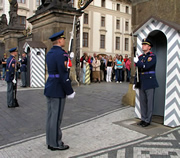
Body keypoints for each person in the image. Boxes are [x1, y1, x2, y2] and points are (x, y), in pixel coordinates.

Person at [44, 30, 75, 151]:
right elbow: (63, 74)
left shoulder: (50, 53)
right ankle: (56, 143)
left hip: (50, 86)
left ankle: (50, 141)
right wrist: (70, 91)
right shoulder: (61, 54)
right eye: (63, 39)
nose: (64, 41)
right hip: (58, 88)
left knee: (50, 117)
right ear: (59, 40)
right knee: (56, 118)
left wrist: (67, 58)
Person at [134, 38, 159, 127]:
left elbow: (146, 67)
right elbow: (137, 71)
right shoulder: (140, 57)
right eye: (143, 44)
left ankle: (148, 120)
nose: (143, 46)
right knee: (143, 102)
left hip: (150, 81)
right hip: (141, 82)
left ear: (149, 47)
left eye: (145, 45)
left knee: (149, 103)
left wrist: (138, 63)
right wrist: (135, 82)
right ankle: (143, 118)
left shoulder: (152, 57)